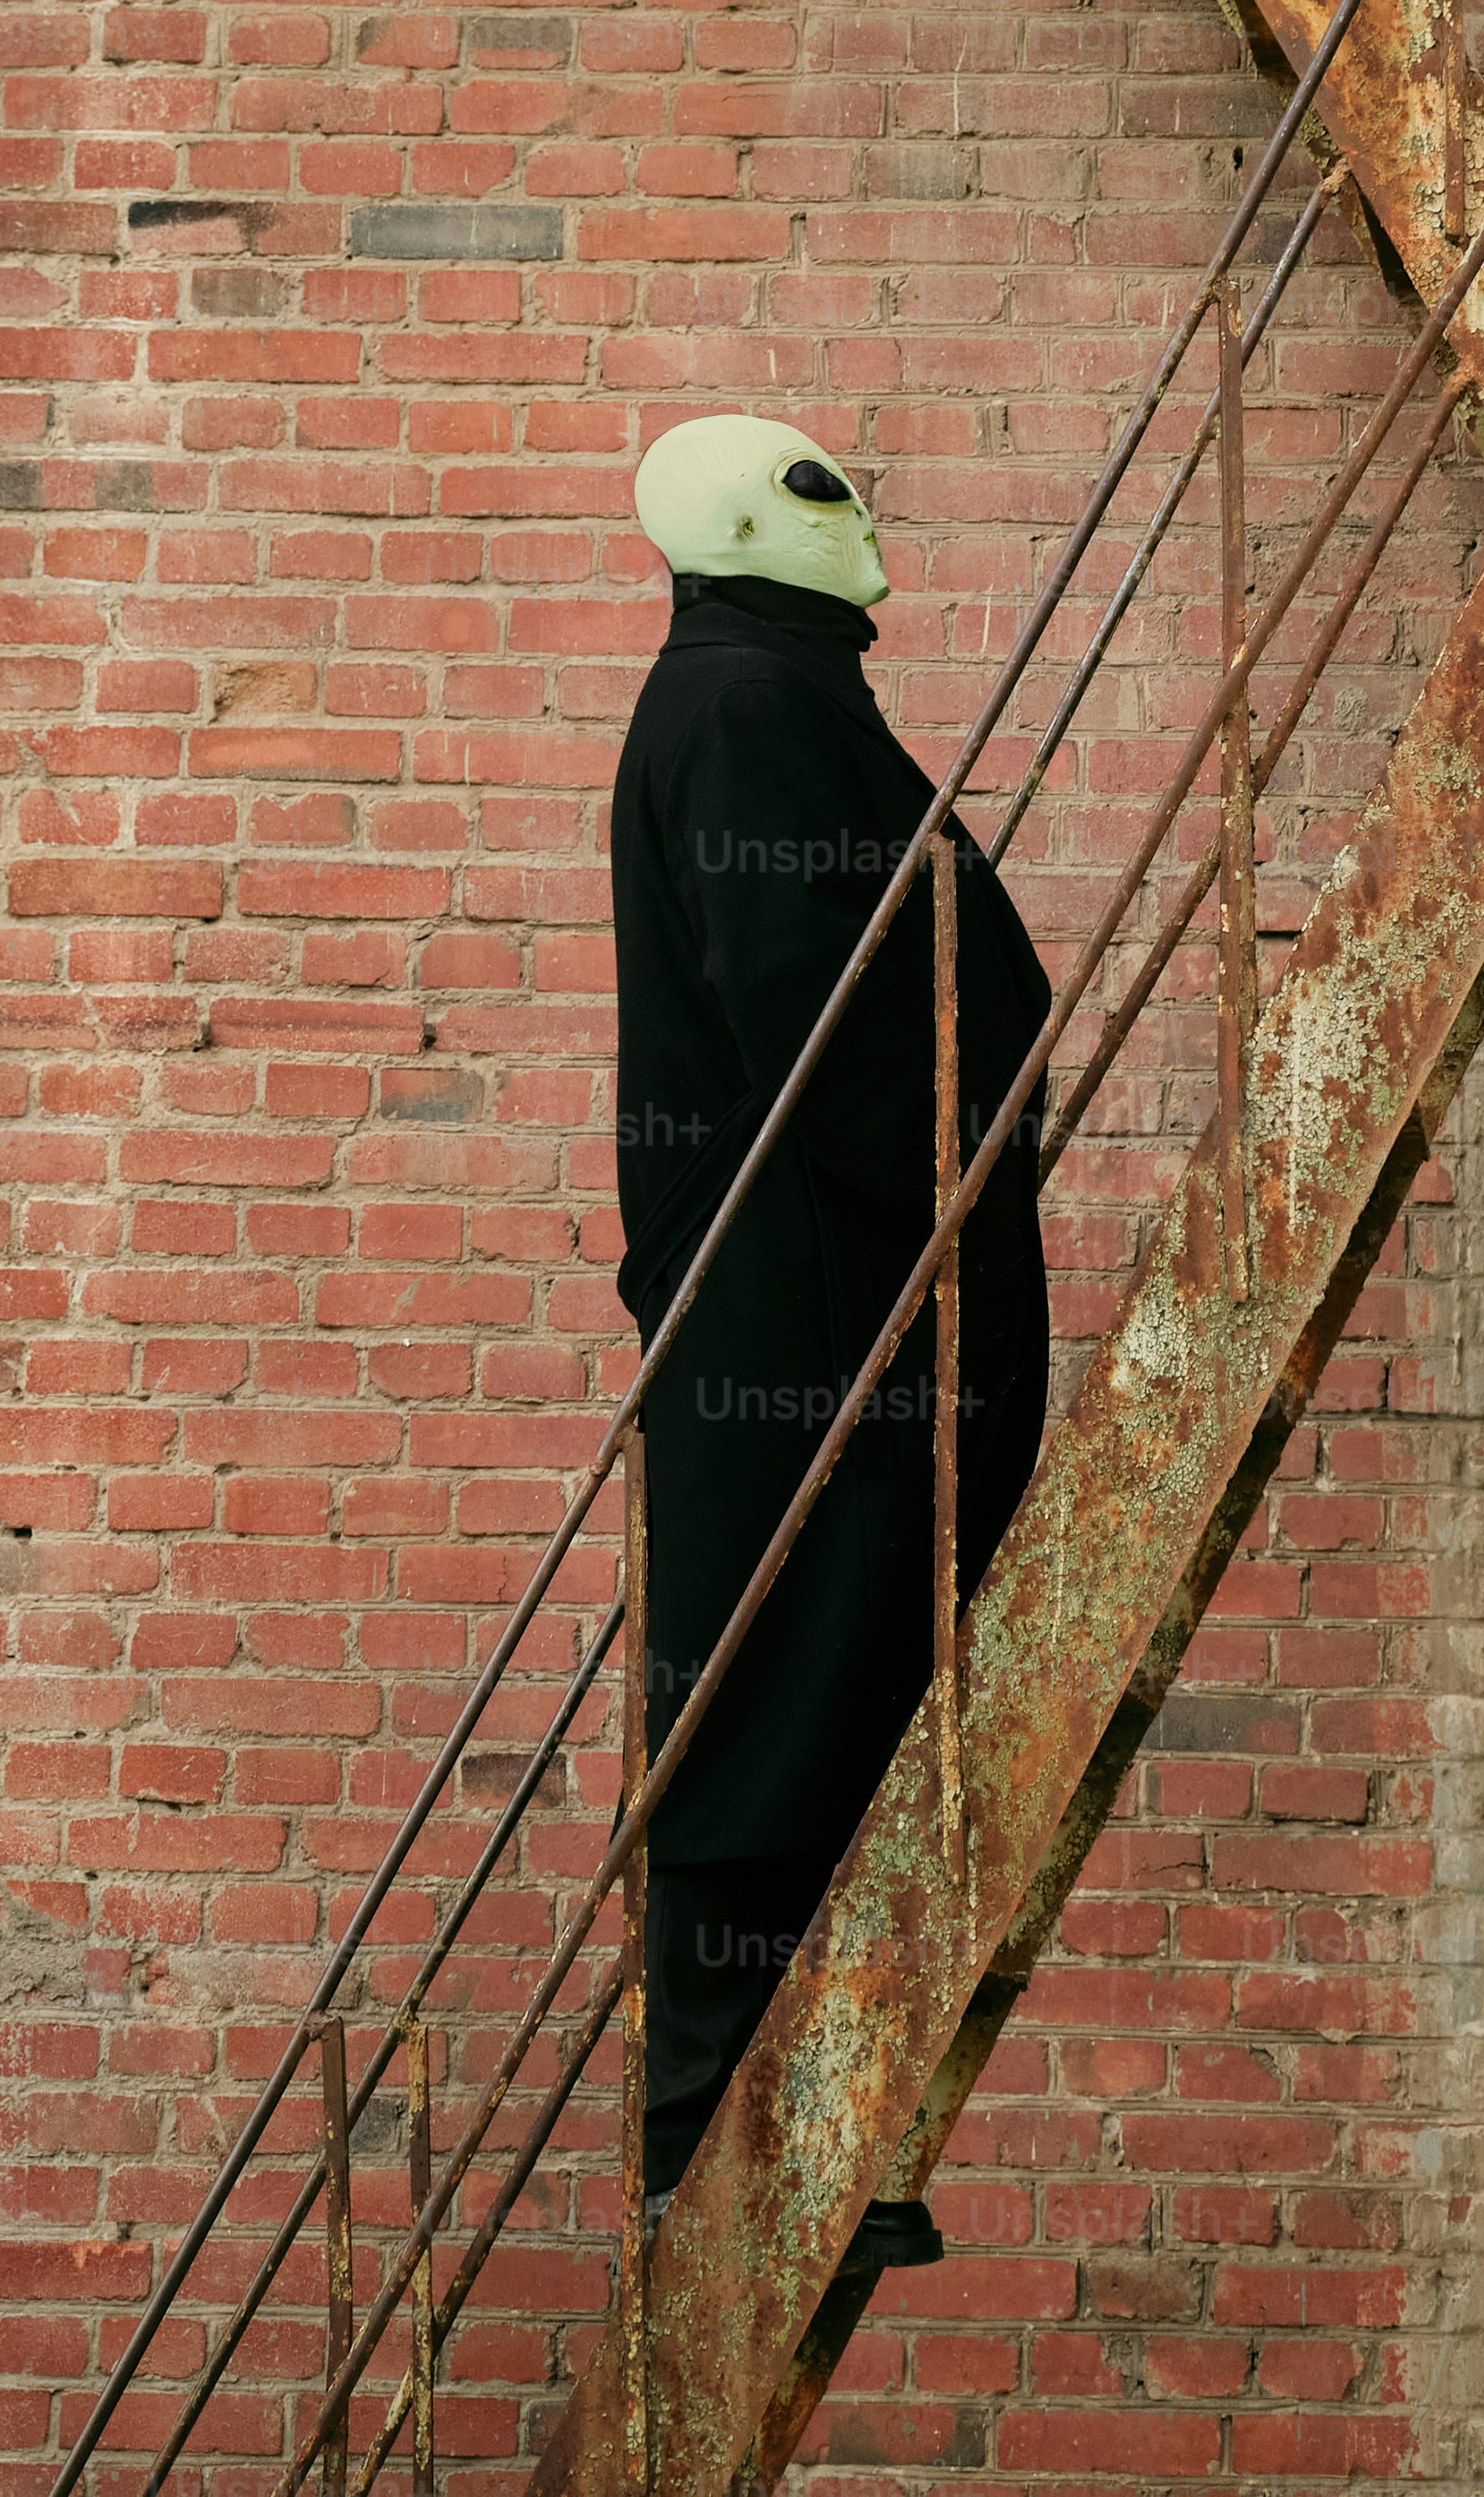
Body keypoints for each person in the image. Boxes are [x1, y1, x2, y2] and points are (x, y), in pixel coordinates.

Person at [603, 413, 1050, 2282]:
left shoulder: (756, 695)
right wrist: (939, 1175)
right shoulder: (744, 709)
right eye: (822, 492)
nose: (860, 521)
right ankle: (725, 2155)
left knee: (823, 1697)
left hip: (827, 1311)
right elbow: (810, 1010)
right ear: (743, 522)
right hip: (825, 1316)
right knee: (780, 1702)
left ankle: (808, 2136)